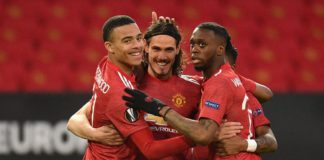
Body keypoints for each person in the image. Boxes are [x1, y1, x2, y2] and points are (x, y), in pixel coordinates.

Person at [123, 22, 263, 159]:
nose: (162, 57)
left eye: (169, 49)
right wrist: (99, 133)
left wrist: (244, 143)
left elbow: (263, 93)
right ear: (146, 47)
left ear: (178, 49)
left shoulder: (197, 86)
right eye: (156, 49)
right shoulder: (131, 85)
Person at [71, 15, 196, 160]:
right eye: (127, 41)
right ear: (109, 47)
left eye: (138, 38)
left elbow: (76, 117)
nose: (137, 45)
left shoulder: (108, 64)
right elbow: (150, 150)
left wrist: (159, 35)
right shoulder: (123, 94)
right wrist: (196, 137)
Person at [212, 47, 278, 156]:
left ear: (232, 70)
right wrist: (212, 134)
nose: (218, 74)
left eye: (222, 69)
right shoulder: (197, 92)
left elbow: (271, 142)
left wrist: (244, 144)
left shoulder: (248, 98)